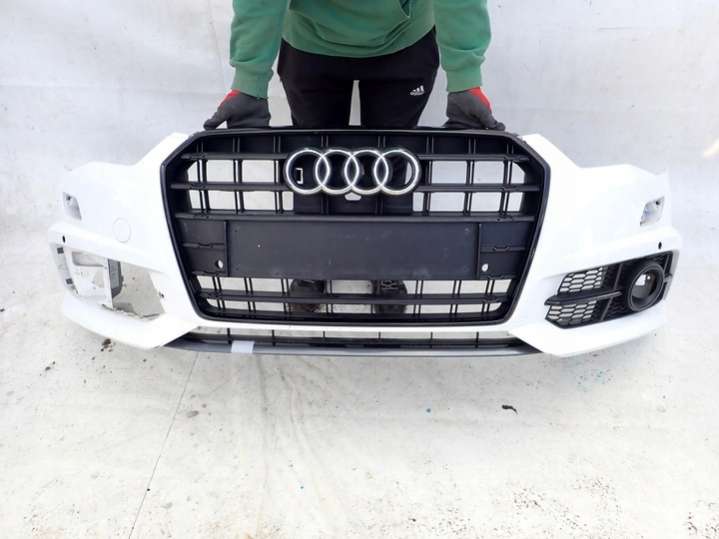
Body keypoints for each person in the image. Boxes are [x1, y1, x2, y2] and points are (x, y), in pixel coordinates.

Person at [204, 0, 505, 313]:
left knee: (392, 160)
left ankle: (386, 263)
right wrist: (249, 82)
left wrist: (466, 79)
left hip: (404, 39)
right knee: (315, 159)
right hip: (310, 41)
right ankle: (313, 260)